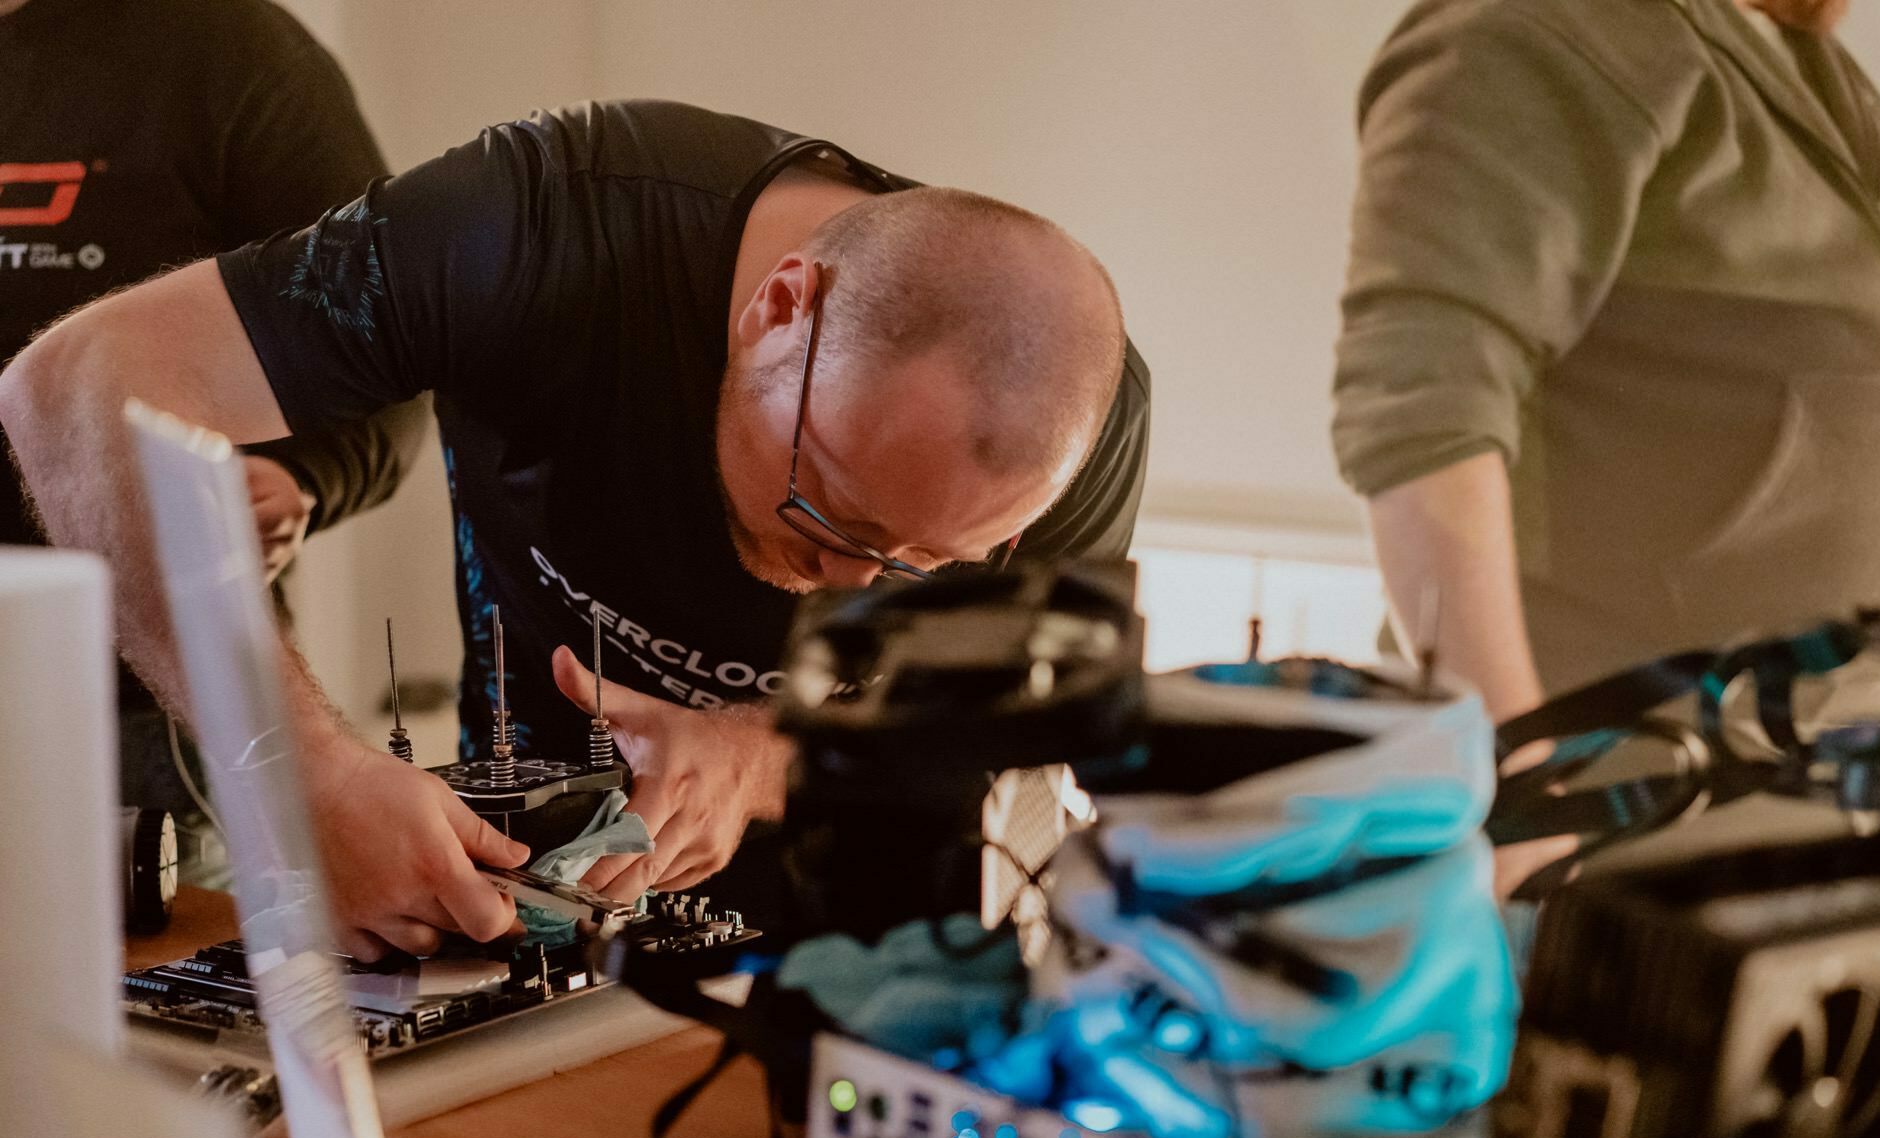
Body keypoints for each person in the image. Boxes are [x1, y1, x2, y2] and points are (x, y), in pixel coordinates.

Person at [1, 98, 1151, 960]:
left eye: (923, 561)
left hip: (875, 965)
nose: (847, 584)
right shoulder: (545, 227)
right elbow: (70, 389)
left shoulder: (1077, 423)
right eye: (829, 510)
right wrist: (294, 774)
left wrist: (762, 753)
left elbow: (1020, 698)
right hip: (512, 902)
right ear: (778, 309)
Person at [1332, 0, 1880, 738]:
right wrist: (1510, 774)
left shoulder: (1807, 60)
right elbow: (1418, 409)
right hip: (1623, 804)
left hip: (1816, 797)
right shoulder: (1544, 26)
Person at [0, 0, 427, 877]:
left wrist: (301, 480)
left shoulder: (228, 50)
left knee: (150, 1014)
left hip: (151, 721)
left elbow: (397, 352)